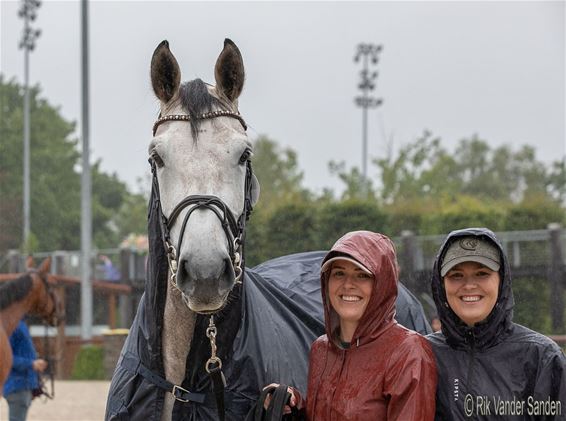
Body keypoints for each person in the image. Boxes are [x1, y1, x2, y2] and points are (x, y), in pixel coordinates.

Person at [264, 230, 437, 420]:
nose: (348, 284)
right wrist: (293, 403)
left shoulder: (408, 352)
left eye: (362, 275)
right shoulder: (321, 349)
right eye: (339, 273)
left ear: (383, 284)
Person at [428, 227, 566, 420]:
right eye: (456, 275)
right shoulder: (421, 354)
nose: (468, 285)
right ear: (441, 284)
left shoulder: (541, 357)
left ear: (502, 281)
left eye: (482, 273)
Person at [3, 319, 47, 421]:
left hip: (24, 385)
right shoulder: (12, 326)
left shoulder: (20, 323)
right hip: (17, 385)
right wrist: (31, 364)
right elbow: (6, 357)